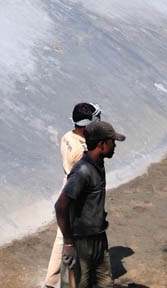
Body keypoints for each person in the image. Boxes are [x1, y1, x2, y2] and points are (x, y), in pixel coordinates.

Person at [54, 121, 126, 288]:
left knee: (105, 283)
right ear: (101, 144)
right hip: (80, 242)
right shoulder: (82, 171)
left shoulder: (99, 165)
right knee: (78, 284)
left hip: (99, 237)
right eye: (112, 141)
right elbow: (60, 206)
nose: (115, 145)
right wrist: (69, 243)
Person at [44, 103, 102, 287]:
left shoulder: (67, 137)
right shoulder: (82, 151)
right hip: (77, 196)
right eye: (97, 118)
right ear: (87, 124)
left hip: (67, 187)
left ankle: (52, 281)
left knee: (62, 238)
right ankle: (59, 282)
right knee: (71, 242)